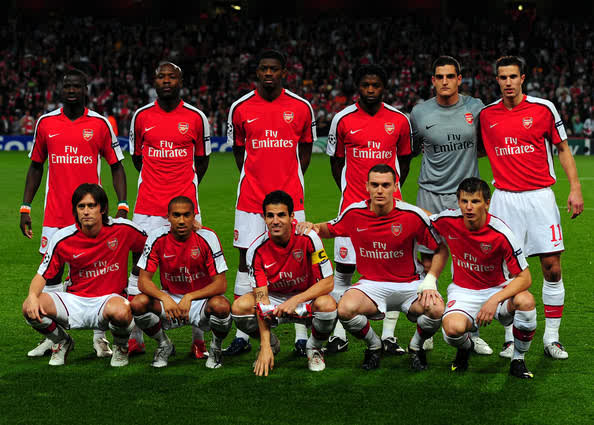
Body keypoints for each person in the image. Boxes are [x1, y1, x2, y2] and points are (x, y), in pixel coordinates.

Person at [479, 55, 584, 359]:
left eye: (513, 76)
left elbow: (562, 148)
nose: (508, 82)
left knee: (552, 267)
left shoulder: (543, 108)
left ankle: (552, 338)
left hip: (540, 198)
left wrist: (575, 188)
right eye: (502, 77)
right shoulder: (486, 115)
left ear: (522, 78)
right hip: (505, 200)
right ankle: (510, 338)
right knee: (506, 271)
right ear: (497, 80)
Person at [20, 68, 128, 359]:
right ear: (60, 89)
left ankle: (99, 337)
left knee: (98, 273)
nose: (71, 90)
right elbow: (36, 166)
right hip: (55, 214)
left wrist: (122, 204)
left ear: (85, 89)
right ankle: (55, 338)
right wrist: (25, 206)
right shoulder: (46, 123)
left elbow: (117, 166)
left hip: (91, 215)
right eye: (67, 85)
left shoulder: (100, 124)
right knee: (51, 276)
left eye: (77, 85)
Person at [299, 164, 447, 371]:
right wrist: (311, 226)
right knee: (345, 309)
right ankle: (374, 345)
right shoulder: (354, 213)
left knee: (437, 308)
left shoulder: (412, 215)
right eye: (375, 185)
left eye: (385, 185)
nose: (380, 190)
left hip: (410, 284)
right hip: (371, 284)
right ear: (366, 186)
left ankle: (416, 347)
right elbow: (329, 229)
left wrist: (430, 281)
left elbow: (440, 248)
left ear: (395, 187)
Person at [227, 49, 317, 357]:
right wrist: (255, 176)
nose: (268, 73)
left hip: (290, 200)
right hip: (251, 199)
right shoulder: (240, 108)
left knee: (299, 261)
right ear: (257, 72)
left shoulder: (301, 107)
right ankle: (242, 333)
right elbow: (239, 151)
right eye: (263, 68)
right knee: (245, 260)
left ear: (283, 73)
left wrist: (290, 180)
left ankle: (301, 336)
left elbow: (306, 150)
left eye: (274, 69)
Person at [325, 63, 413, 355]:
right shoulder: (342, 119)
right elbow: (336, 162)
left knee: (394, 272)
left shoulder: (399, 120)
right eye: (366, 85)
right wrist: (351, 194)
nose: (371, 90)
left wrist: (389, 195)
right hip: (353, 209)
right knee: (344, 272)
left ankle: (388, 336)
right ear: (358, 87)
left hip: (391, 212)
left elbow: (405, 161)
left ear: (384, 87)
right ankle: (339, 334)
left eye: (376, 85)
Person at [409, 56, 492, 355]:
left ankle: (473, 330)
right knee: (428, 265)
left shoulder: (476, 108)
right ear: (433, 80)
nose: (445, 81)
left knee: (470, 266)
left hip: (465, 199)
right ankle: (427, 325)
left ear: (459, 79)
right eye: (439, 76)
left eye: (450, 76)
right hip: (430, 196)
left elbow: (485, 145)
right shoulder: (419, 113)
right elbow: (410, 150)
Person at [128, 61, 211, 359]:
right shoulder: (141, 116)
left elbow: (202, 160)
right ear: (154, 81)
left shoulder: (196, 117)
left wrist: (183, 190)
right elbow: (137, 158)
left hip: (186, 207)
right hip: (147, 206)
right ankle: (135, 337)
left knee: (196, 268)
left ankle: (198, 339)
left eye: (171, 77)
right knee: (139, 268)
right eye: (161, 76)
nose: (166, 81)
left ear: (180, 81)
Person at [22, 183, 146, 367]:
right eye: (81, 206)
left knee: (122, 312)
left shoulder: (123, 229)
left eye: (91, 206)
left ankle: (121, 347)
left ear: (102, 209)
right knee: (29, 307)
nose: (86, 211)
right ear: (75, 211)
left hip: (109, 302)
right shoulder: (63, 238)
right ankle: (62, 341)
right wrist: (32, 296)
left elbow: (151, 246)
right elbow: (42, 274)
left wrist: (135, 281)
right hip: (74, 301)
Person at [432, 178, 537, 379]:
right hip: (463, 291)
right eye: (464, 201)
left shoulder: (502, 233)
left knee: (526, 301)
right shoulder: (447, 220)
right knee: (452, 330)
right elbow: (421, 219)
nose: (469, 207)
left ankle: (518, 359)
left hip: (498, 290)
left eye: (475, 201)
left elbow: (525, 278)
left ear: (487, 203)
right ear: (458, 201)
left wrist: (494, 299)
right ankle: (465, 347)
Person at [231, 190, 336, 375]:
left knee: (327, 306)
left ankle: (314, 347)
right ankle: (272, 345)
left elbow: (328, 282)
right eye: (270, 216)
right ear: (264, 218)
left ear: (292, 216)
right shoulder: (256, 250)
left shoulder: (309, 238)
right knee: (240, 308)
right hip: (274, 301)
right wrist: (265, 346)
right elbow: (262, 300)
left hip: (304, 299)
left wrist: (295, 300)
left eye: (281, 215)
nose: (275, 221)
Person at [131, 196, 232, 369]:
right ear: (168, 217)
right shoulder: (157, 237)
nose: (182, 220)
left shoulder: (208, 237)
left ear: (194, 217)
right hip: (170, 299)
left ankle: (216, 348)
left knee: (222, 306)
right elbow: (143, 281)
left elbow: (221, 284)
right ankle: (164, 345)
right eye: (176, 215)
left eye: (186, 215)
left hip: (200, 301)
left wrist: (190, 296)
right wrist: (164, 297)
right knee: (138, 303)